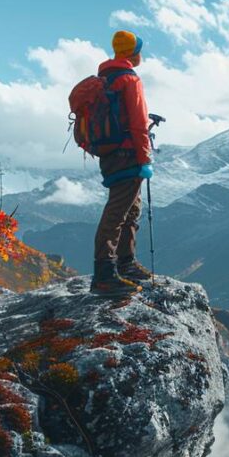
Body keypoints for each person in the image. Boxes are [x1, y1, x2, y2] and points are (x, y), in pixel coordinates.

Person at [92, 30, 154, 296]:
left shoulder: (104, 78)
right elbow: (139, 123)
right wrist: (145, 158)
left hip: (109, 153)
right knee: (118, 211)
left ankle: (125, 262)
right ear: (133, 53)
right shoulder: (129, 79)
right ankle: (104, 274)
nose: (141, 54)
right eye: (139, 50)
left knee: (129, 207)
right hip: (128, 154)